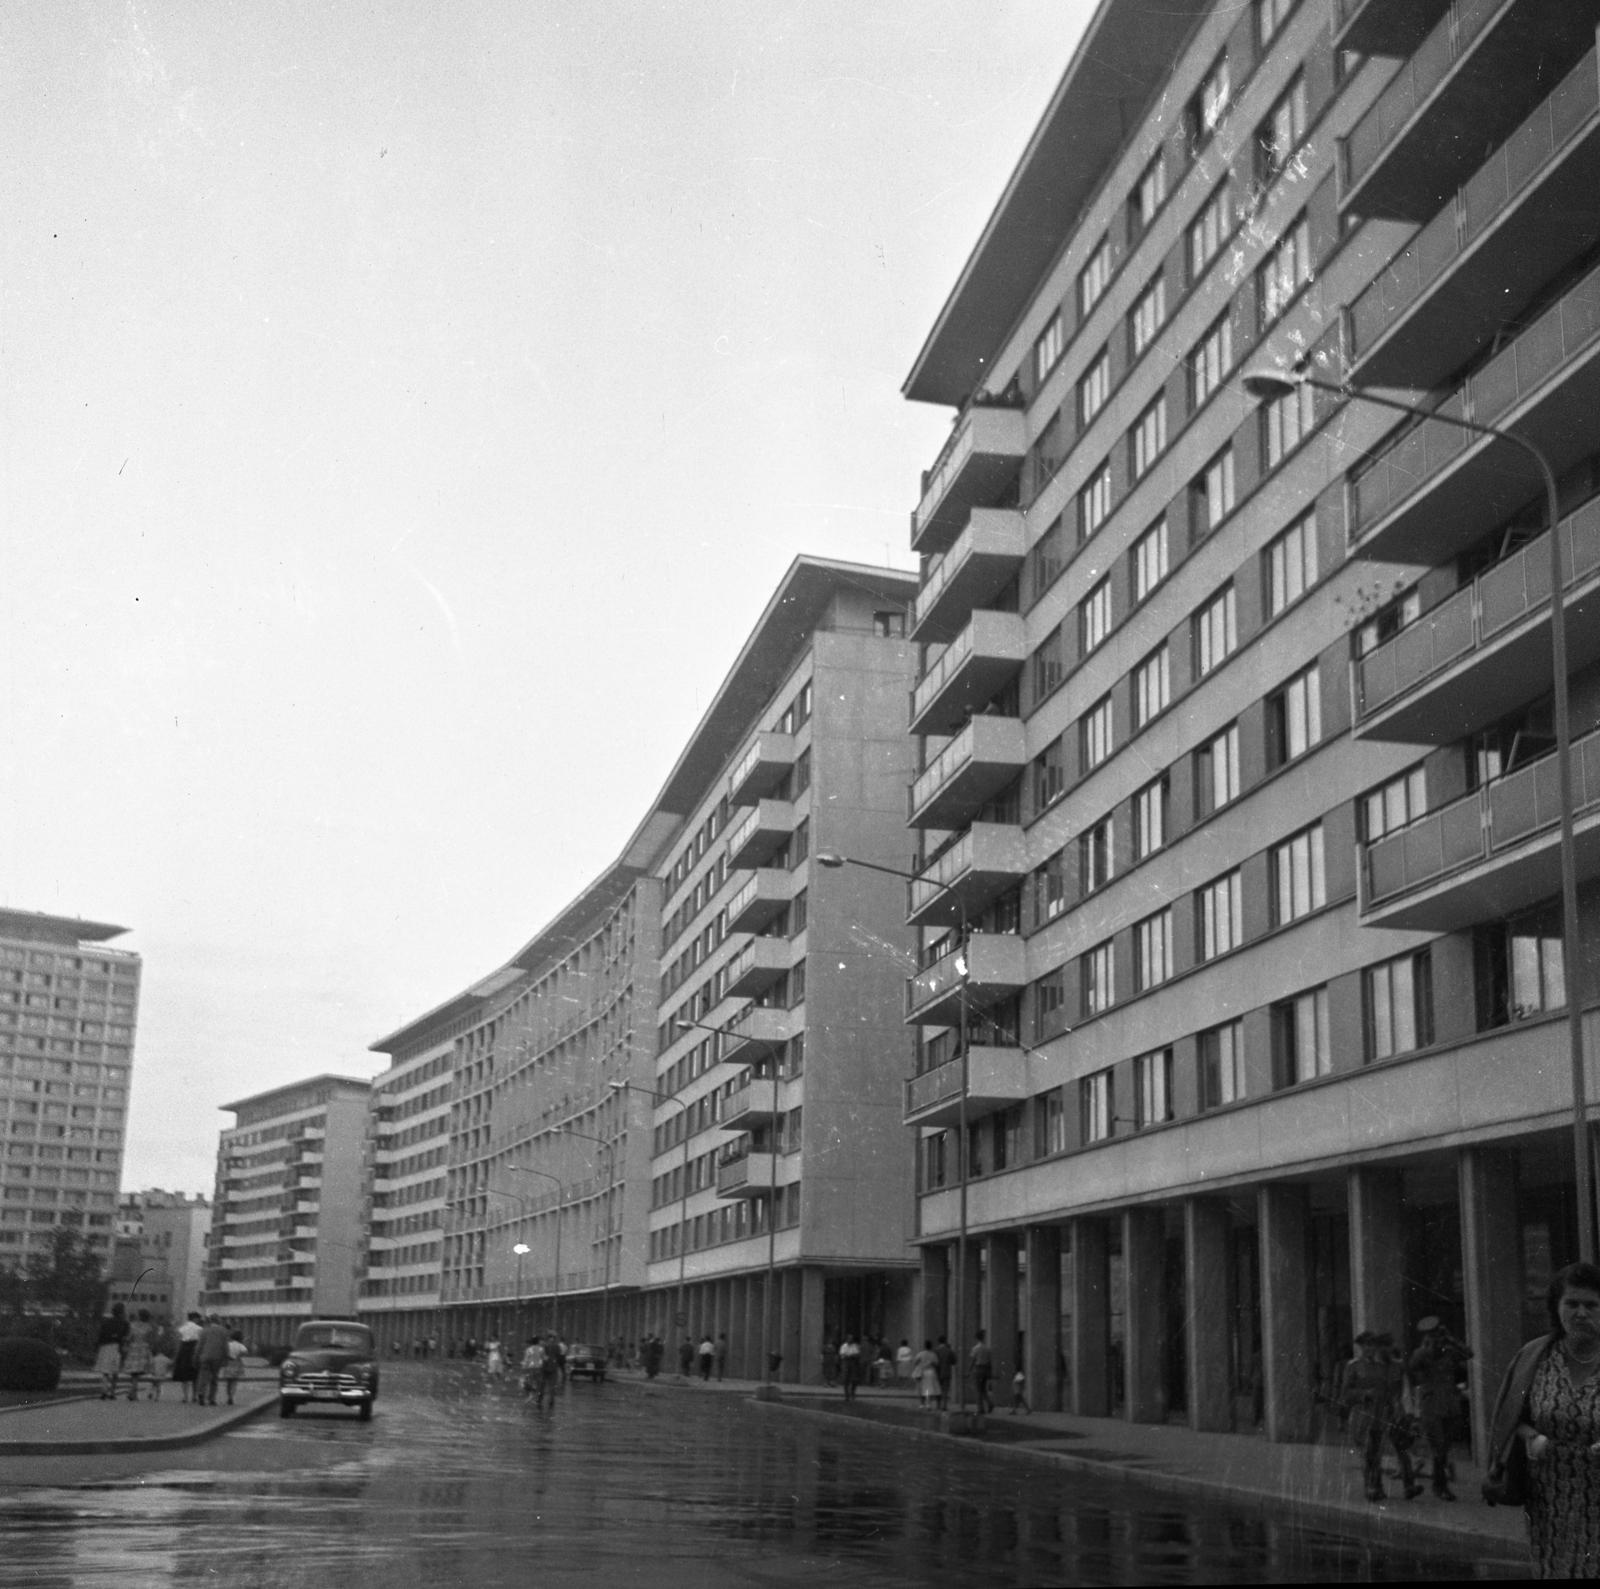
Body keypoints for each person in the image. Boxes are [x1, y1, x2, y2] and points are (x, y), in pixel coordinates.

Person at [1487, 1260, 1600, 1577]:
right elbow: (1512, 1420)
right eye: (1571, 1303)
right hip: (1550, 1504)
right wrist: (1530, 1437)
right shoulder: (1535, 1357)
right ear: (1556, 1307)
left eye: (1591, 1305)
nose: (1581, 1313)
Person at [1341, 1330, 1421, 1503]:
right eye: (1366, 1345)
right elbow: (1345, 1394)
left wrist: (1398, 1409)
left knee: (1381, 1451)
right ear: (1361, 1347)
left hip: (1383, 1414)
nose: (1370, 1349)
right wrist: (1363, 1394)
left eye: (1372, 1345)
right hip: (1363, 1416)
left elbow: (1392, 1390)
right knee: (1369, 1452)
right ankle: (1371, 1487)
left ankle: (1384, 1487)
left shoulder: (1382, 1367)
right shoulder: (1353, 1366)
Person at [1407, 1315, 1472, 1500]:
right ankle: (1440, 1486)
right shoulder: (1421, 1352)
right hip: (1431, 1405)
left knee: (1445, 1446)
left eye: (1438, 1334)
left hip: (1450, 1405)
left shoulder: (1449, 1350)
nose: (1436, 1339)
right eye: (1432, 1335)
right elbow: (1413, 1366)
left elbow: (1468, 1353)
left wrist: (1451, 1339)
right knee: (1439, 1446)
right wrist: (1428, 1348)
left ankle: (1439, 1484)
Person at [94, 1302, 129, 1400]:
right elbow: (125, 1337)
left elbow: (101, 1335)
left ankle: (104, 1391)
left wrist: (97, 1346)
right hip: (116, 1347)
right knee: (115, 1371)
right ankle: (112, 1393)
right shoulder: (124, 1323)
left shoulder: (106, 1322)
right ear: (122, 1312)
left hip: (105, 1347)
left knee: (105, 1371)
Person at [194, 1315, 230, 1407]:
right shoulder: (223, 1331)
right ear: (219, 1321)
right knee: (214, 1378)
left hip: (205, 1357)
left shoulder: (204, 1331)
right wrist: (226, 1357)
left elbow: (199, 1345)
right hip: (217, 1358)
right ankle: (212, 1399)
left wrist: (196, 1356)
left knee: (203, 1376)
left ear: (210, 1321)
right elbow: (225, 1346)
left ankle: (201, 1394)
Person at [122, 1308, 155, 1402]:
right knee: (137, 1374)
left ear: (139, 1316)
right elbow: (151, 1340)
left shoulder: (133, 1326)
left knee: (133, 1373)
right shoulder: (149, 1327)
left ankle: (132, 1393)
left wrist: (126, 1343)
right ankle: (133, 1393)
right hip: (144, 1349)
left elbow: (129, 1338)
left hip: (134, 1349)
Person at [172, 1311, 202, 1404]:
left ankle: (185, 1396)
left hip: (184, 1350)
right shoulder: (199, 1328)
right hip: (194, 1349)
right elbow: (200, 1342)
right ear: (195, 1318)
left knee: (184, 1376)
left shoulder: (182, 1328)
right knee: (195, 1376)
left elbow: (178, 1341)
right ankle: (195, 1396)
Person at [970, 1329, 993, 1415]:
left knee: (978, 1390)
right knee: (983, 1389)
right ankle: (990, 1403)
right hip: (985, 1369)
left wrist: (969, 1370)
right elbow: (990, 1361)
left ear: (976, 1338)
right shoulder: (987, 1348)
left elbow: (973, 1360)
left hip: (978, 1369)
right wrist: (990, 1372)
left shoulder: (975, 1348)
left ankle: (980, 1408)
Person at [911, 1340, 940, 1411]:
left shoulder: (920, 1354)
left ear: (924, 1346)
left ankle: (921, 1404)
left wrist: (920, 1365)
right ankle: (928, 1404)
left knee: (920, 1388)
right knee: (928, 1389)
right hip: (931, 1372)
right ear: (931, 1346)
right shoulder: (933, 1354)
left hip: (921, 1372)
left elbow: (915, 1362)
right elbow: (936, 1364)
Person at [222, 1330, 248, 1406]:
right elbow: (245, 1352)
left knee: (228, 1382)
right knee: (234, 1381)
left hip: (228, 1363)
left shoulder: (228, 1344)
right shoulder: (240, 1345)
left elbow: (224, 1352)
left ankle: (228, 1395)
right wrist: (238, 1356)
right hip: (237, 1363)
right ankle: (231, 1396)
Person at [933, 1335, 955, 1410]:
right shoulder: (949, 1350)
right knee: (945, 1390)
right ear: (945, 1341)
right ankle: (944, 1405)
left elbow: (933, 1362)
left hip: (937, 1372)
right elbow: (954, 1361)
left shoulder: (935, 1351)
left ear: (938, 1342)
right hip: (946, 1372)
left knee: (938, 1389)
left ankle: (938, 1405)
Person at [838, 1334, 862, 1401]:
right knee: (846, 1380)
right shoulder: (844, 1346)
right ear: (847, 1339)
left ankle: (852, 1393)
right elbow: (843, 1355)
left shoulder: (854, 1346)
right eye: (849, 1338)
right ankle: (847, 1395)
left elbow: (857, 1354)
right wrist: (851, 1355)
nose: (850, 1340)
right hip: (846, 1363)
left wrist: (850, 1355)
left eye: (851, 1339)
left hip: (853, 1363)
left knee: (854, 1379)